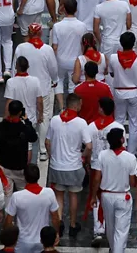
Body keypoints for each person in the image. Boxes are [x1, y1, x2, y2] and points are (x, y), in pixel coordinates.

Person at [46, 93, 93, 237]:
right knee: (74, 195)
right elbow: (89, 146)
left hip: (57, 165)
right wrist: (83, 157)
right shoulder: (81, 123)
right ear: (77, 104)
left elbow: (47, 142)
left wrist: (52, 156)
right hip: (74, 165)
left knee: (59, 195)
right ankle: (72, 224)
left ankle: (58, 222)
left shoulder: (54, 120)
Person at [91, 127, 137, 253]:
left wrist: (93, 196)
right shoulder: (130, 158)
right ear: (122, 140)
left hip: (106, 196)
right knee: (121, 231)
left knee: (110, 229)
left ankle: (113, 249)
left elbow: (96, 179)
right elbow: (133, 182)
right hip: (123, 196)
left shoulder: (102, 155)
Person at [6, 164, 61, 253]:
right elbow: (55, 218)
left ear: (25, 177)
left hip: (23, 241)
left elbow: (8, 221)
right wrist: (56, 234)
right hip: (42, 240)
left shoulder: (17, 196)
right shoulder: (49, 193)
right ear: (38, 176)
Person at [0, 97, 41, 175]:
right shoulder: (24, 129)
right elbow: (34, 137)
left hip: (5, 165)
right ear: (20, 112)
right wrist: (27, 121)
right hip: (20, 167)